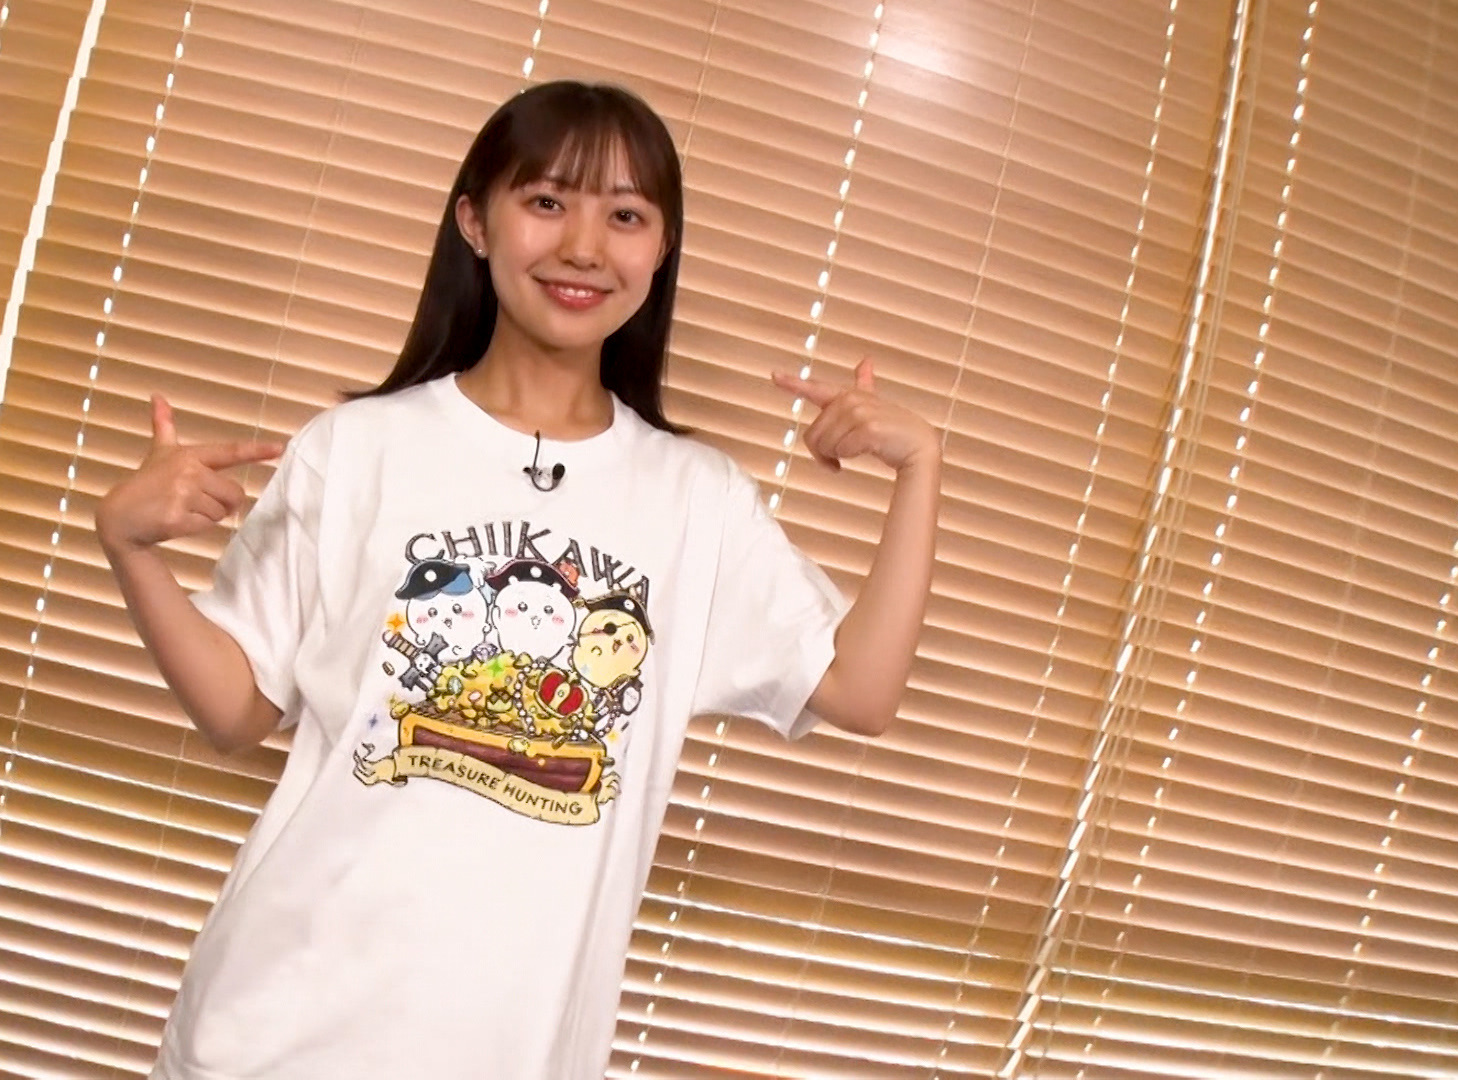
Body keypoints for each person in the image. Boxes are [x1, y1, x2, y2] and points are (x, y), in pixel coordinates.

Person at [95, 80, 940, 1080]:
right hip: (273, 1037)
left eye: (624, 216)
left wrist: (920, 467)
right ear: (475, 221)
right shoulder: (356, 448)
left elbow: (862, 691)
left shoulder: (695, 499)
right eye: (546, 202)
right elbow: (237, 710)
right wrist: (130, 547)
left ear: (661, 248)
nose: (583, 246)